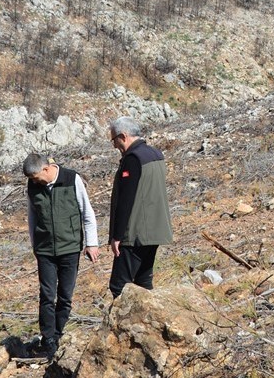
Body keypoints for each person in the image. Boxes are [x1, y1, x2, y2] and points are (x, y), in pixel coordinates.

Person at [23, 153, 99, 359]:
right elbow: (32, 217)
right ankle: (48, 339)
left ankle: (58, 333)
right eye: (31, 179)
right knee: (47, 296)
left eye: (36, 177)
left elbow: (87, 212)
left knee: (65, 296)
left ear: (46, 169)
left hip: (70, 248)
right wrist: (35, 245)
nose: (34, 182)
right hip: (45, 250)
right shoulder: (32, 186)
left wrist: (92, 243)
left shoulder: (71, 179)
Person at [106, 117, 173, 296]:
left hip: (136, 234)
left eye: (114, 140)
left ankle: (121, 316)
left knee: (119, 286)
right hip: (155, 230)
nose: (115, 146)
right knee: (144, 282)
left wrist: (117, 236)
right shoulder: (155, 154)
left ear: (123, 136)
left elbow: (126, 200)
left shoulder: (133, 158)